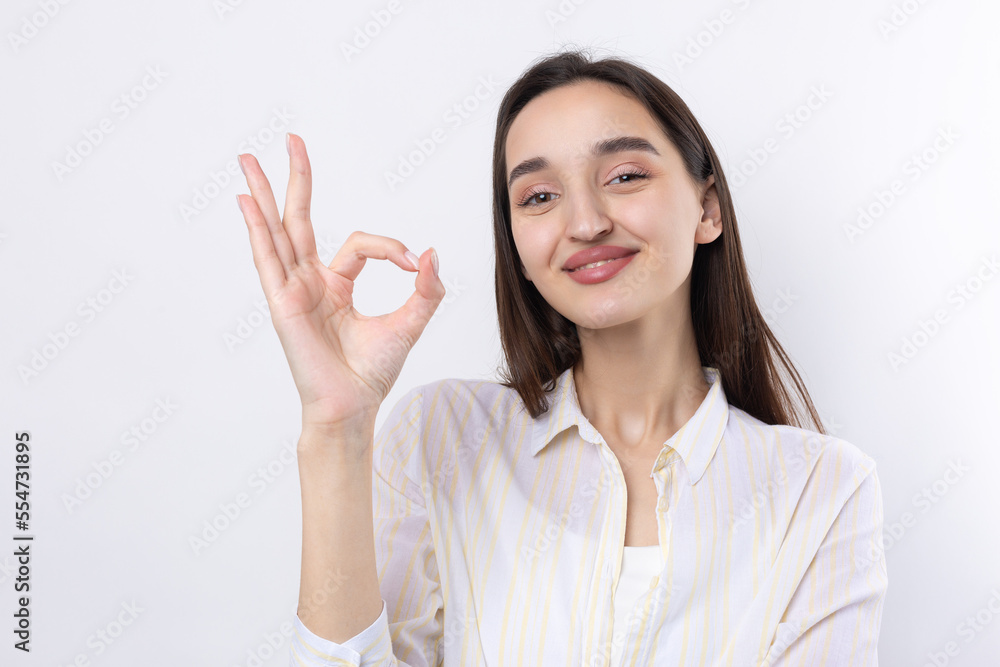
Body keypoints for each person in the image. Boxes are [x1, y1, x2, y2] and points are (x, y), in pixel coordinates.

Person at [236, 49, 887, 667]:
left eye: (625, 176)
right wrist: (336, 425)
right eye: (539, 196)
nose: (585, 222)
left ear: (707, 208)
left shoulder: (822, 489)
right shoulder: (443, 434)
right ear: (516, 242)